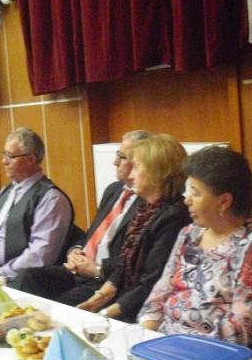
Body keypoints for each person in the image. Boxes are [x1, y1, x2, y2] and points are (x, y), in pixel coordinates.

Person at [138, 146, 252, 358]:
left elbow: (242, 330)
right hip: (168, 347)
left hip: (219, 358)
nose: (186, 199)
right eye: (187, 190)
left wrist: (179, 349)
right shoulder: (189, 234)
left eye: (195, 192)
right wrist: (147, 340)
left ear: (224, 201)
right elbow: (158, 295)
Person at [17, 130, 151, 304]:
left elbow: (136, 258)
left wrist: (97, 268)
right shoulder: (114, 190)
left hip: (104, 278)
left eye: (121, 157)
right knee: (30, 277)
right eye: (117, 155)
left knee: (61, 305)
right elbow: (92, 235)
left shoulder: (148, 201)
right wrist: (75, 250)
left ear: (140, 162)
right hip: (79, 269)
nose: (115, 162)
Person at [77, 134, 191, 322]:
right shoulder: (145, 209)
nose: (130, 175)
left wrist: (104, 314)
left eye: (136, 168)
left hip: (147, 311)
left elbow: (150, 283)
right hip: (125, 299)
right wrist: (97, 300)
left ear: (157, 172)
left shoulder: (174, 217)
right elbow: (125, 264)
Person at [0, 127, 74, 286]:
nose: (4, 161)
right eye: (4, 154)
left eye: (10, 156)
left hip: (18, 280)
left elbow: (40, 254)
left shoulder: (50, 198)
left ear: (30, 159)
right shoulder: (6, 191)